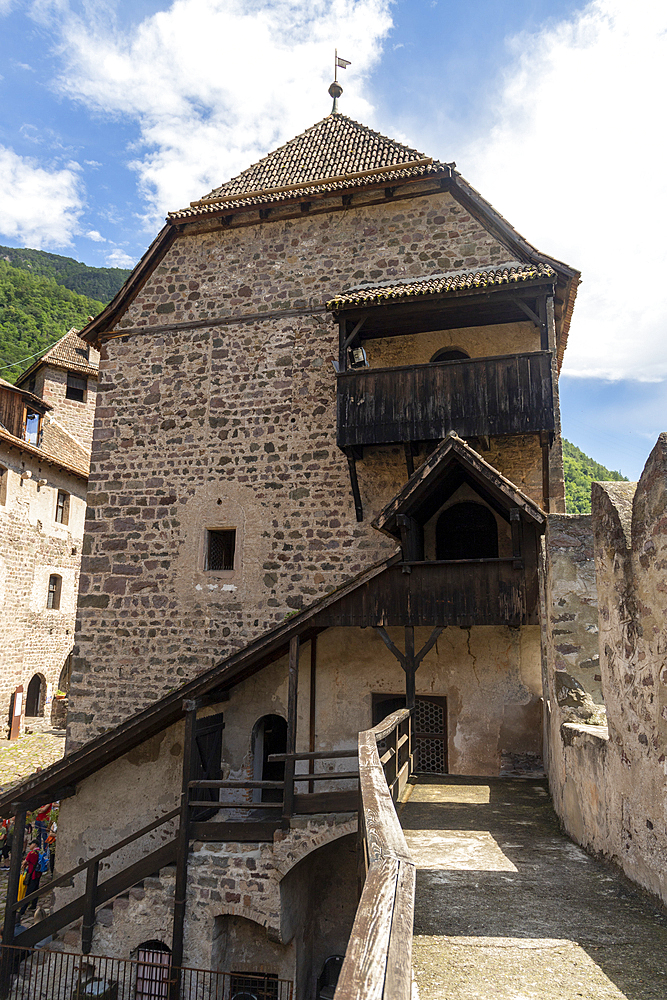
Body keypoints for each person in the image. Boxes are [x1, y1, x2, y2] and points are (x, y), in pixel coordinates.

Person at [19, 842, 41, 916]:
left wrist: (24, 863)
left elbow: (25, 862)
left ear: (34, 844)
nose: (29, 846)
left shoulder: (31, 853)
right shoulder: (39, 852)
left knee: (28, 892)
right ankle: (33, 905)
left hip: (32, 874)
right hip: (38, 874)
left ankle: (22, 910)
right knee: (35, 889)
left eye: (30, 844)